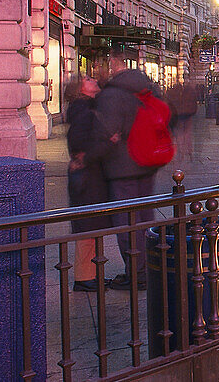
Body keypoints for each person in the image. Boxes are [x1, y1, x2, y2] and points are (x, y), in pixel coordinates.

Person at [93, 50, 163, 290]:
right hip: (148, 162)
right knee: (144, 218)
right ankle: (151, 267)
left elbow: (106, 133)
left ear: (113, 64)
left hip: (123, 167)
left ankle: (137, 273)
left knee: (126, 222)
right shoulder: (148, 87)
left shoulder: (111, 94)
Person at [63, 75, 117, 292]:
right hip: (88, 178)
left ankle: (91, 274)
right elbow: (78, 146)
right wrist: (109, 142)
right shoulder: (82, 111)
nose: (93, 79)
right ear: (81, 89)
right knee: (88, 228)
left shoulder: (88, 107)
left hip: (92, 176)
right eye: (87, 79)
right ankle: (84, 278)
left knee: (94, 229)